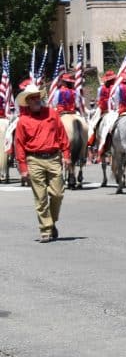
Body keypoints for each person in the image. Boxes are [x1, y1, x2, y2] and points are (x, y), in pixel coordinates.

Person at [13, 83, 71, 242]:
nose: (37, 100)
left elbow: (62, 135)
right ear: (28, 102)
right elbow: (19, 145)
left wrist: (66, 155)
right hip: (34, 160)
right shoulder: (23, 121)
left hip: (53, 158)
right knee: (41, 197)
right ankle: (46, 230)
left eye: (38, 97)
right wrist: (23, 168)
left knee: (58, 194)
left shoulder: (52, 114)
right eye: (33, 98)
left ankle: (51, 222)